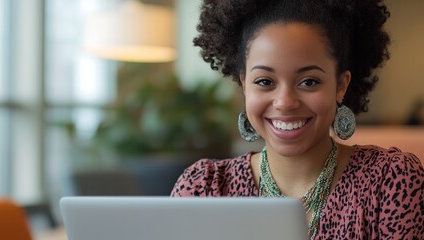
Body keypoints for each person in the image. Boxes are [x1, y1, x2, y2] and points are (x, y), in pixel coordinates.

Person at [171, 0, 424, 239]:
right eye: (265, 82)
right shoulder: (204, 188)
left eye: (308, 82)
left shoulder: (391, 182)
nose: (285, 102)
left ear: (340, 85)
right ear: (244, 85)